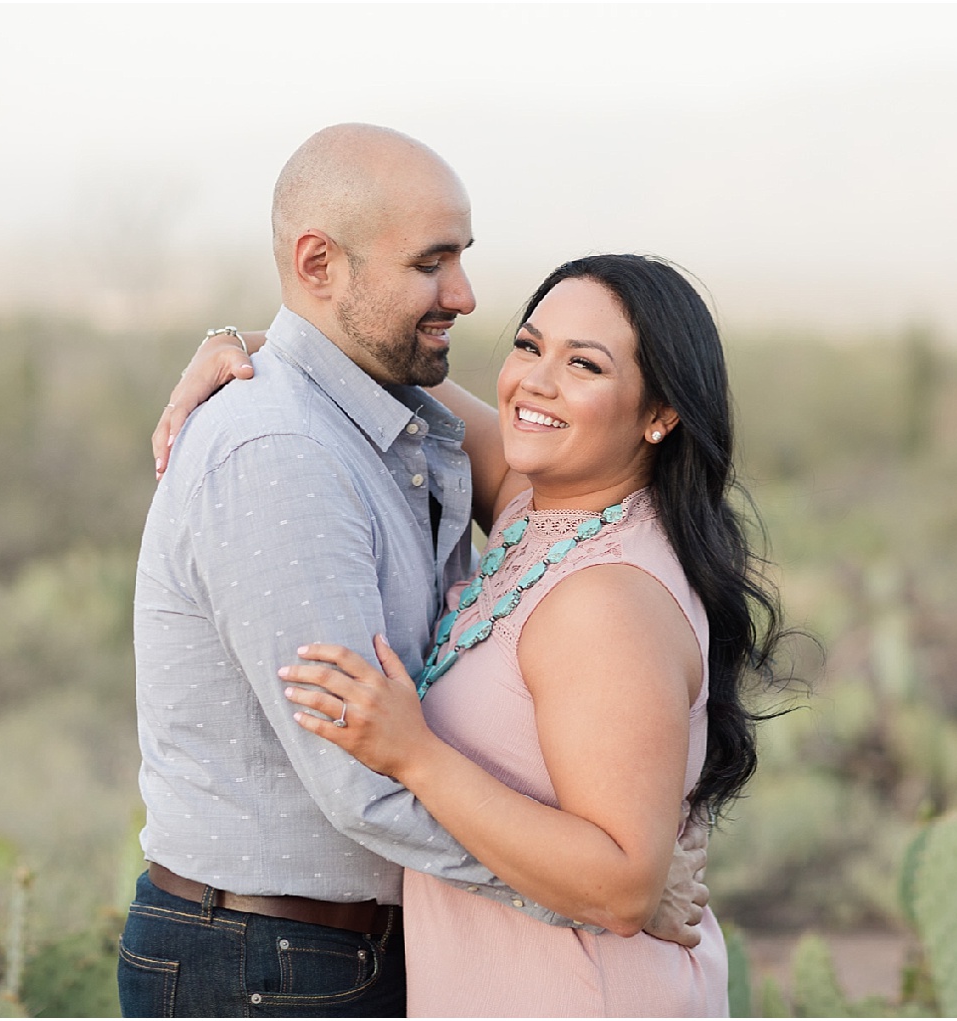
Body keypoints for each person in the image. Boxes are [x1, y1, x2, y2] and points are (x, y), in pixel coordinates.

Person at [124, 125, 705, 1019]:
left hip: (452, 969)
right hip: (267, 962)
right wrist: (604, 893)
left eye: (584, 364)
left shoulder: (580, 549)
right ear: (319, 263)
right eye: (433, 263)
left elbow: (350, 349)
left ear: (661, 413)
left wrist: (613, 889)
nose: (464, 296)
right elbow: (359, 780)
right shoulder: (306, 455)